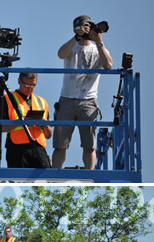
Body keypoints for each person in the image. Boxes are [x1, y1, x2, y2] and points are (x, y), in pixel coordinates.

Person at [54, 15, 113, 170]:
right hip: (67, 98)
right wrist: (76, 36)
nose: (88, 29)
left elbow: (108, 65)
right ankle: (55, 176)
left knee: (89, 145)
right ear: (76, 28)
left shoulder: (97, 49)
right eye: (85, 26)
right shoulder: (71, 46)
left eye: (90, 26)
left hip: (88, 100)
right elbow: (60, 54)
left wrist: (99, 41)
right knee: (60, 145)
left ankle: (90, 175)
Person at [0, 73, 52, 168]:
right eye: (26, 85)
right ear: (19, 81)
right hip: (17, 148)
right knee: (19, 181)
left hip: (39, 147)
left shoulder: (41, 101)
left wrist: (44, 125)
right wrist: (21, 122)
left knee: (45, 179)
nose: (30, 88)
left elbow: (49, 134)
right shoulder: (7, 98)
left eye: (33, 85)